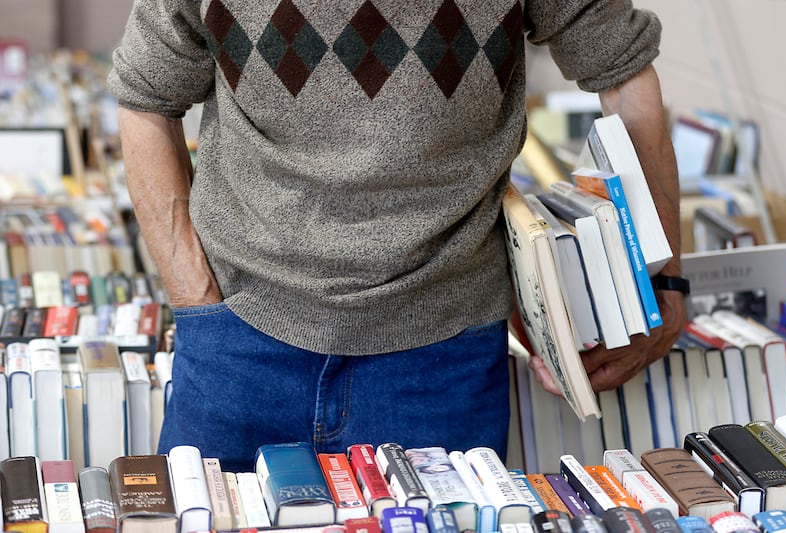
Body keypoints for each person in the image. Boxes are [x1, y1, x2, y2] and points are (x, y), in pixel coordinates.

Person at [108, 0, 686, 472]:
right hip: (238, 343)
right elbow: (145, 97)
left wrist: (659, 283)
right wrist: (195, 300)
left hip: (443, 353)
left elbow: (626, 77)